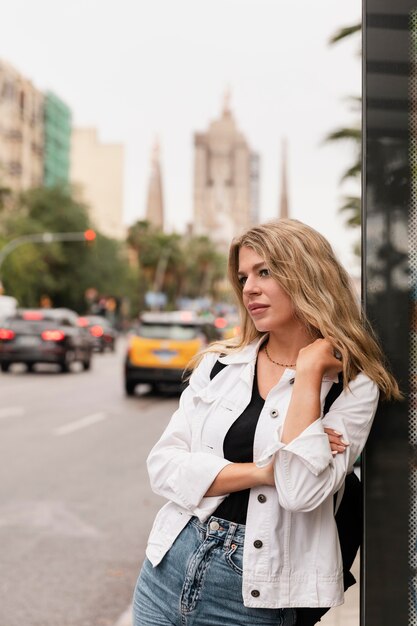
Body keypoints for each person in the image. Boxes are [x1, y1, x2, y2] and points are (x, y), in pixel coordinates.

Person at [132, 219, 401, 626]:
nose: (248, 289)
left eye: (266, 272)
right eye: (243, 276)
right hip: (167, 569)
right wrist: (263, 471)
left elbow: (299, 491)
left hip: (257, 594)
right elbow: (163, 466)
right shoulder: (219, 365)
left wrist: (309, 374)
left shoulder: (352, 385)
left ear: (309, 277)